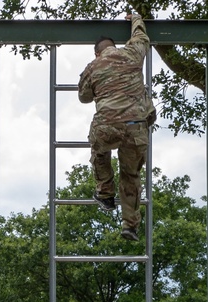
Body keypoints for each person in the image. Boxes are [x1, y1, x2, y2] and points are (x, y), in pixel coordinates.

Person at [78, 12, 157, 242]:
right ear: (115, 46)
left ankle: (105, 192)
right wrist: (136, 18)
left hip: (108, 126)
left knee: (100, 151)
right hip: (136, 127)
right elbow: (141, 37)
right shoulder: (132, 53)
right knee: (131, 174)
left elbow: (83, 97)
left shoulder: (93, 66)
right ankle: (129, 225)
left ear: (97, 52)